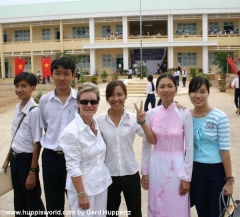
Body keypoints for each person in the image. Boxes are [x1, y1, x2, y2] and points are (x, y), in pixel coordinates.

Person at [138, 73, 193, 217]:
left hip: (178, 168)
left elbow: (190, 147)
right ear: (156, 91)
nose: (166, 90)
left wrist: (187, 177)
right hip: (156, 166)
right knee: (158, 204)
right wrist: (145, 172)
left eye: (170, 86)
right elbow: (146, 144)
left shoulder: (184, 113)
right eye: (162, 86)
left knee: (177, 205)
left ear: (176, 89)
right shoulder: (151, 114)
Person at [59, 83, 112, 217]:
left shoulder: (95, 124)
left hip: (101, 185)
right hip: (83, 189)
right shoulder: (71, 132)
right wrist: (81, 195)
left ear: (98, 103)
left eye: (93, 101)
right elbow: (73, 167)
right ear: (77, 103)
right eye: (84, 101)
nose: (89, 105)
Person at [97, 81, 147, 217]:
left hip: (130, 172)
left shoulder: (133, 119)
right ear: (107, 98)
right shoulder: (99, 121)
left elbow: (150, 138)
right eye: (111, 95)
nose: (116, 99)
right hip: (109, 174)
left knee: (135, 212)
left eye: (120, 94)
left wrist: (142, 122)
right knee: (110, 213)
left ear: (125, 96)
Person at [189, 76, 233, 217]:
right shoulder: (185, 116)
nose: (198, 96)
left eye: (202, 91)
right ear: (189, 93)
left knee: (217, 213)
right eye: (194, 91)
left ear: (208, 92)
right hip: (195, 172)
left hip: (216, 172)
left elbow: (225, 150)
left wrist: (229, 181)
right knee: (202, 212)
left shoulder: (220, 117)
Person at [2, 72, 45, 216]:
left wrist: (32, 172)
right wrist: (8, 158)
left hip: (27, 161)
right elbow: (16, 135)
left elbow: (37, 143)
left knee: (32, 200)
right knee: (19, 200)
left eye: (23, 86)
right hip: (15, 160)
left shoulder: (34, 111)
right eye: (17, 86)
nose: (19, 89)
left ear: (33, 88)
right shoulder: (18, 106)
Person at [39, 57, 78, 216]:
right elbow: (46, 128)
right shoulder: (44, 100)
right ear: (51, 74)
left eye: (66, 74)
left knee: (78, 203)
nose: (62, 78)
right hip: (51, 159)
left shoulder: (81, 100)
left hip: (74, 158)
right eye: (58, 73)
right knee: (54, 206)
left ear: (73, 76)